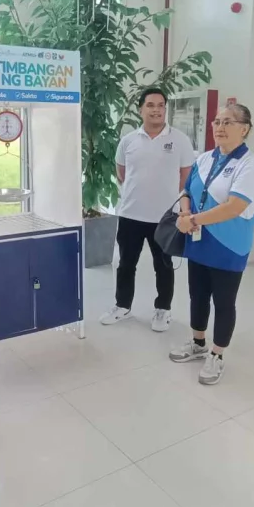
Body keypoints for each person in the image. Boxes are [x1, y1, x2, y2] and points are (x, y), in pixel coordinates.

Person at [168, 104, 254, 385]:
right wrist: (185, 214)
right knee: (197, 294)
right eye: (216, 121)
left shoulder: (250, 165)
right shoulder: (204, 159)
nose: (219, 127)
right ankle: (198, 343)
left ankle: (217, 354)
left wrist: (192, 219)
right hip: (199, 238)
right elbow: (187, 191)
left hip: (229, 244)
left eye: (227, 122)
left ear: (244, 129)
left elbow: (234, 206)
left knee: (223, 301)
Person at [100, 88, 196, 332]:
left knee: (163, 265)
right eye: (151, 105)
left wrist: (169, 200)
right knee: (126, 264)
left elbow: (186, 177)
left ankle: (163, 309)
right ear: (140, 109)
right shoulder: (128, 140)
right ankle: (122, 306)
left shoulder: (180, 140)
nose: (156, 110)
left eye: (161, 105)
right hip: (131, 214)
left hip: (164, 217)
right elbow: (122, 173)